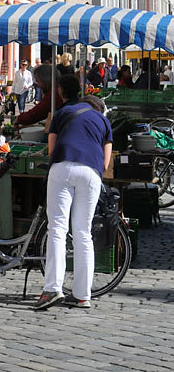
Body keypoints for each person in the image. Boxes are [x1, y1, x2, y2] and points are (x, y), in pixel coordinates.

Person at [35, 74, 112, 310]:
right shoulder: (103, 122)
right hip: (91, 174)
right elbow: (106, 163)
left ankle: (52, 289)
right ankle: (82, 295)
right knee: (83, 232)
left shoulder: (62, 113)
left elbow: (51, 149)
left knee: (58, 228)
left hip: (63, 166)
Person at [15, 64, 62, 128]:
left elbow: (37, 113)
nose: (38, 85)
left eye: (38, 81)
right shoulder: (56, 89)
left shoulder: (54, 93)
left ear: (45, 80)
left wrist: (19, 119)